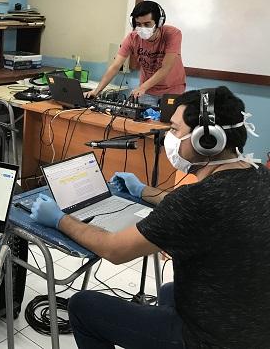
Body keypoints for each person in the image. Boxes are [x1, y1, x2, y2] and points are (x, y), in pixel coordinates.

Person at [30, 86, 269, 348]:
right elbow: (203, 212)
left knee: (82, 305)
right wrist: (143, 190)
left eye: (176, 130)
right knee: (168, 291)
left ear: (207, 140)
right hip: (254, 325)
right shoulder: (260, 175)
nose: (170, 137)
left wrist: (58, 219)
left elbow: (114, 250)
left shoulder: (196, 200)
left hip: (209, 339)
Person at [85, 0, 186, 107]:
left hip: (172, 90)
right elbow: (115, 66)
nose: (142, 28)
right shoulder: (132, 38)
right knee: (142, 121)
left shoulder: (172, 34)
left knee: (167, 121)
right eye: (138, 24)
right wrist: (96, 91)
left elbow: (166, 68)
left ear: (159, 23)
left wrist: (143, 87)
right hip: (148, 91)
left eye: (147, 24)